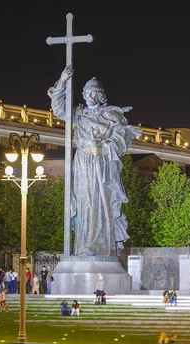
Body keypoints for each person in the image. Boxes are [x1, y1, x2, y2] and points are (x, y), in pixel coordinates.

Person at [48, 66, 141, 257]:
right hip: (82, 162)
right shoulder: (79, 114)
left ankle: (100, 246)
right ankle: (84, 246)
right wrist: (62, 82)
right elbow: (58, 109)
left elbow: (121, 138)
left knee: (99, 202)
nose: (88, 96)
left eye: (92, 93)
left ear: (100, 95)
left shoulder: (111, 115)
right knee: (83, 203)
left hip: (103, 165)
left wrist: (103, 148)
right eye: (85, 93)